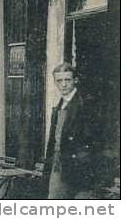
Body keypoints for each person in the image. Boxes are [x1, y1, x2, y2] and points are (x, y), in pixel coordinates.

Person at [44, 63, 99, 199]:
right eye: (59, 81)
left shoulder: (86, 105)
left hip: (78, 167)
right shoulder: (59, 107)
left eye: (67, 80)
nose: (63, 85)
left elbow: (93, 141)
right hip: (58, 164)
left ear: (75, 80)